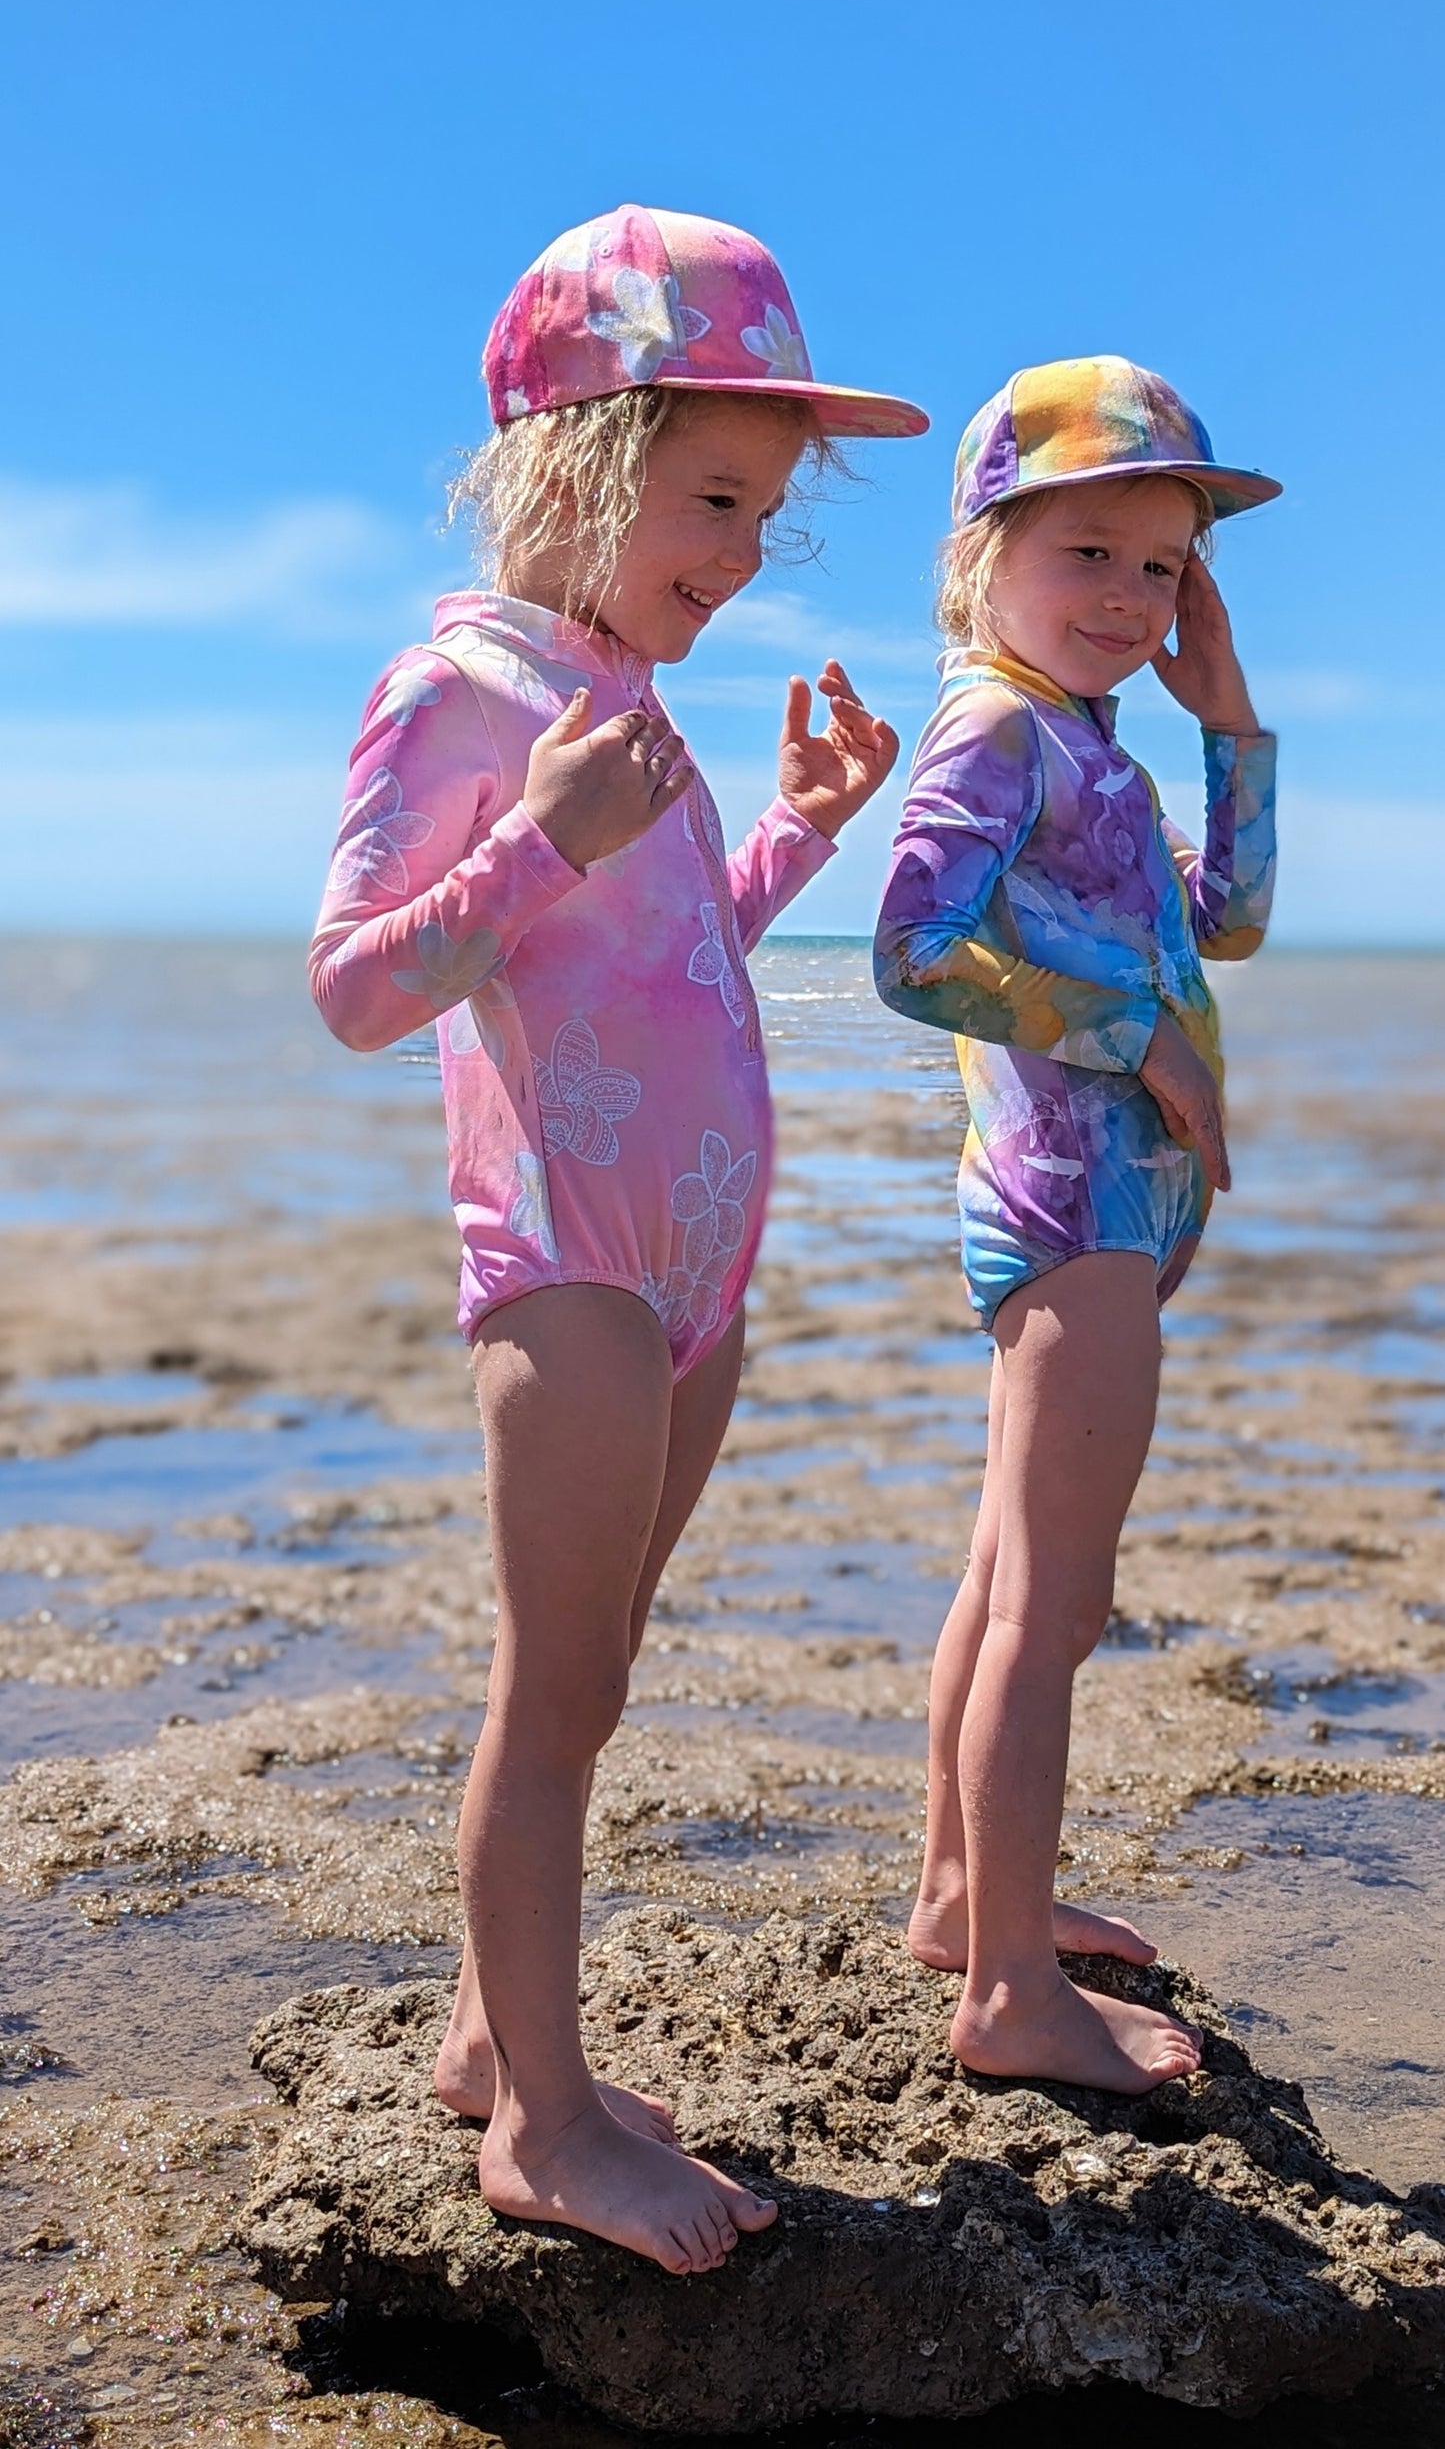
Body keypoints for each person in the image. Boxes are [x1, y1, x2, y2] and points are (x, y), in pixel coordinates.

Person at [310, 204, 926, 2271]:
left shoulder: (618, 699)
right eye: (718, 499)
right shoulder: (463, 687)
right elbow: (358, 991)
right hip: (567, 1262)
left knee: (599, 1672)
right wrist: (529, 832)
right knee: (556, 1685)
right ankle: (553, 2129)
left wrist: (798, 834)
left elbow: (669, 960)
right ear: (575, 458)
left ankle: (502, 2038)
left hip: (695, 1279)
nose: (745, 556)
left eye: (767, 516)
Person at [873, 356, 1278, 2092]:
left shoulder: (1088, 746)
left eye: (1163, 568)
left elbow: (1230, 922)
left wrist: (1225, 715)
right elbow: (913, 950)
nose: (1128, 596)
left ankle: (965, 1900)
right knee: (1056, 1603)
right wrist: (1143, 1046)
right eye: (1089, 554)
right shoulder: (993, 726)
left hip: (1105, 1211)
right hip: (1066, 1208)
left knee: (999, 1575)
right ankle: (1011, 2002)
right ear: (982, 561)